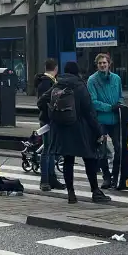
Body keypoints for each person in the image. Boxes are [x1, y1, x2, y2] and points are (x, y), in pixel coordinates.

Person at [43, 62, 109, 204]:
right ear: (77, 72)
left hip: (62, 129)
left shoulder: (57, 85)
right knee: (89, 159)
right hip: (81, 129)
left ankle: (71, 193)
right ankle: (95, 191)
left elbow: (42, 101)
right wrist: (98, 132)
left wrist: (51, 118)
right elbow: (89, 112)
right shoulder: (80, 86)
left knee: (68, 161)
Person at [87, 53, 123, 189]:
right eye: (100, 63)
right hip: (101, 120)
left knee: (119, 148)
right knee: (102, 151)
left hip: (115, 119)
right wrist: (109, 107)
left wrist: (119, 104)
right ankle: (106, 177)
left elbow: (120, 96)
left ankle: (115, 176)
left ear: (109, 64)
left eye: (104, 63)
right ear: (97, 65)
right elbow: (93, 101)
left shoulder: (117, 79)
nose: (102, 65)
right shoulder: (92, 80)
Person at [33, 59, 63, 192]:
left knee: (51, 149)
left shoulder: (46, 82)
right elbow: (43, 102)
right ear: (56, 68)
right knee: (47, 150)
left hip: (49, 120)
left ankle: (51, 178)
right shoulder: (47, 83)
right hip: (48, 120)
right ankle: (44, 180)